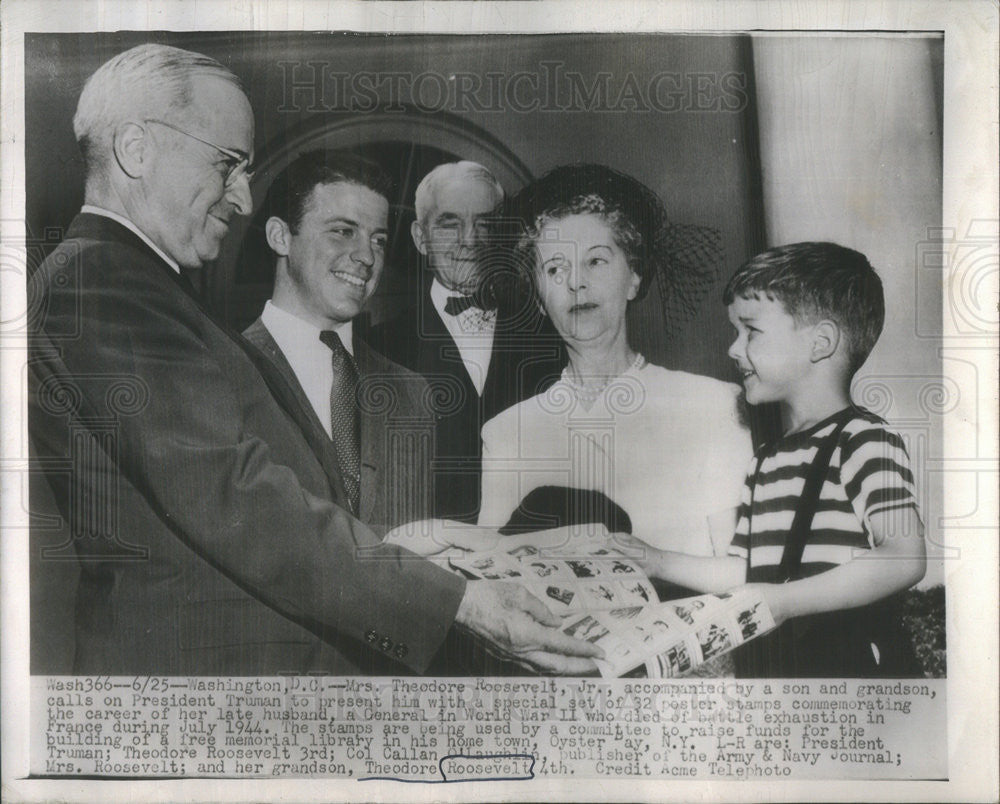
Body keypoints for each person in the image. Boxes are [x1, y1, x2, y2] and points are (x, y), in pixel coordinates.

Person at [27, 43, 601, 676]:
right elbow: (237, 496)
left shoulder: (129, 284)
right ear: (136, 150)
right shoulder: (102, 282)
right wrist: (462, 603)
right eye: (228, 164)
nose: (243, 198)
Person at [632, 242, 926, 677]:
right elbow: (749, 570)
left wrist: (783, 601)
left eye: (751, 330)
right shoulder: (766, 460)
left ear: (820, 342)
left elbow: (905, 556)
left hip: (850, 670)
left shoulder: (863, 439)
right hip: (782, 671)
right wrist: (656, 560)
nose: (733, 349)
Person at [478, 164, 752, 566]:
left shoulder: (712, 405)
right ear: (538, 299)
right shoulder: (506, 434)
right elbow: (495, 579)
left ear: (634, 278)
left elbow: (741, 573)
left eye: (596, 261)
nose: (576, 282)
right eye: (555, 268)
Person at [243, 150, 433, 535]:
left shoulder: (413, 395)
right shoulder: (222, 374)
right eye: (343, 231)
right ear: (280, 237)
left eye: (377, 240)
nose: (366, 256)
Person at [367, 161, 564, 523]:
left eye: (485, 223)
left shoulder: (550, 340)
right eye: (450, 223)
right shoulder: (376, 348)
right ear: (420, 238)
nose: (470, 240)